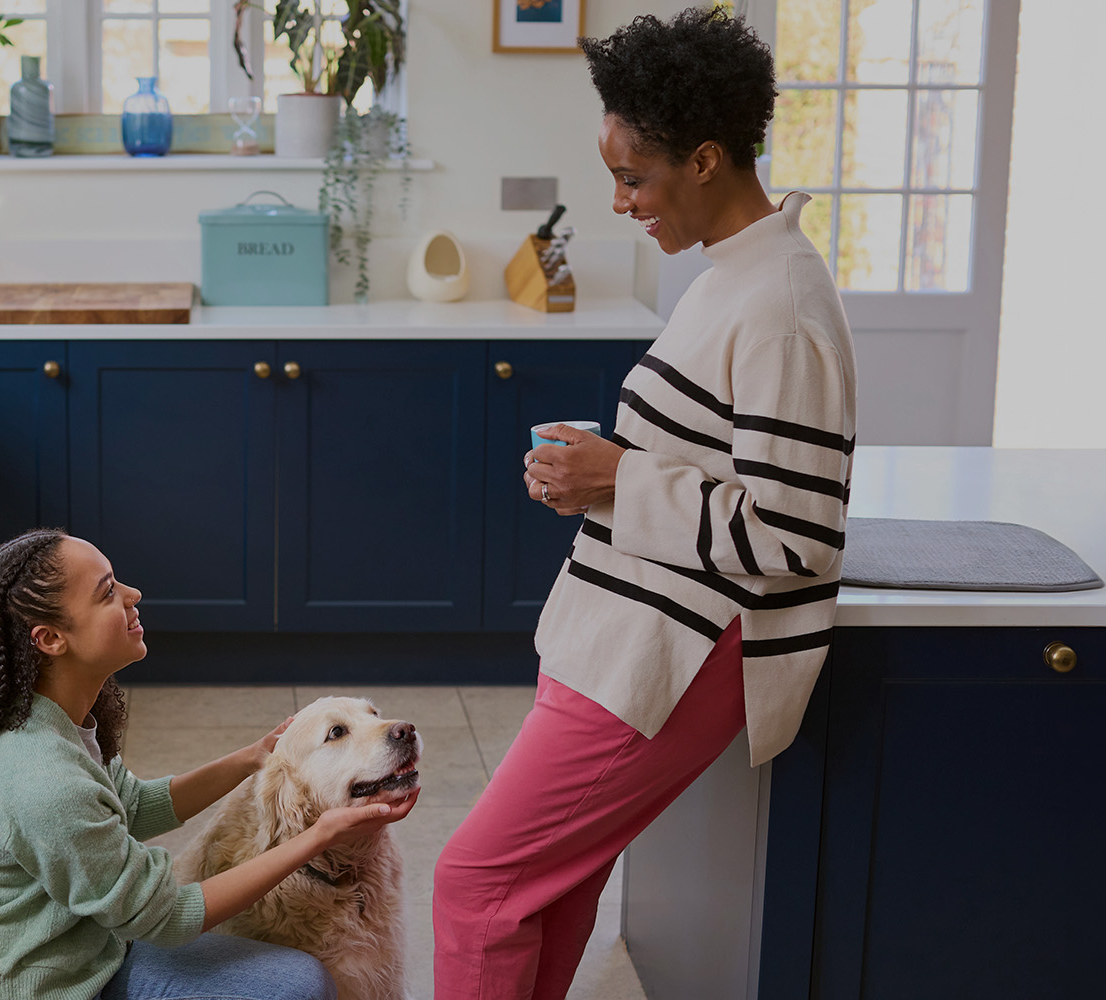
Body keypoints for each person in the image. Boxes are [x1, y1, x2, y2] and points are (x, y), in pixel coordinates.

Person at [432, 8, 857, 999]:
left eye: (636, 176)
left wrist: (618, 478)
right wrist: (615, 460)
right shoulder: (730, 279)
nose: (620, 201)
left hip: (678, 648)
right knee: (552, 886)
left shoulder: (782, 305)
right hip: (632, 631)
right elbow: (715, 460)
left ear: (706, 159)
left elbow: (793, 538)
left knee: (476, 884)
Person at [0, 528, 418, 1000]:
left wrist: (250, 758)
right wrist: (319, 836)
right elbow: (169, 917)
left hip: (83, 948)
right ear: (49, 639)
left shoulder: (52, 721)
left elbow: (131, 805)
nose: (133, 595)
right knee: (297, 984)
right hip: (49, 986)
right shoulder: (40, 778)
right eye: (107, 592)